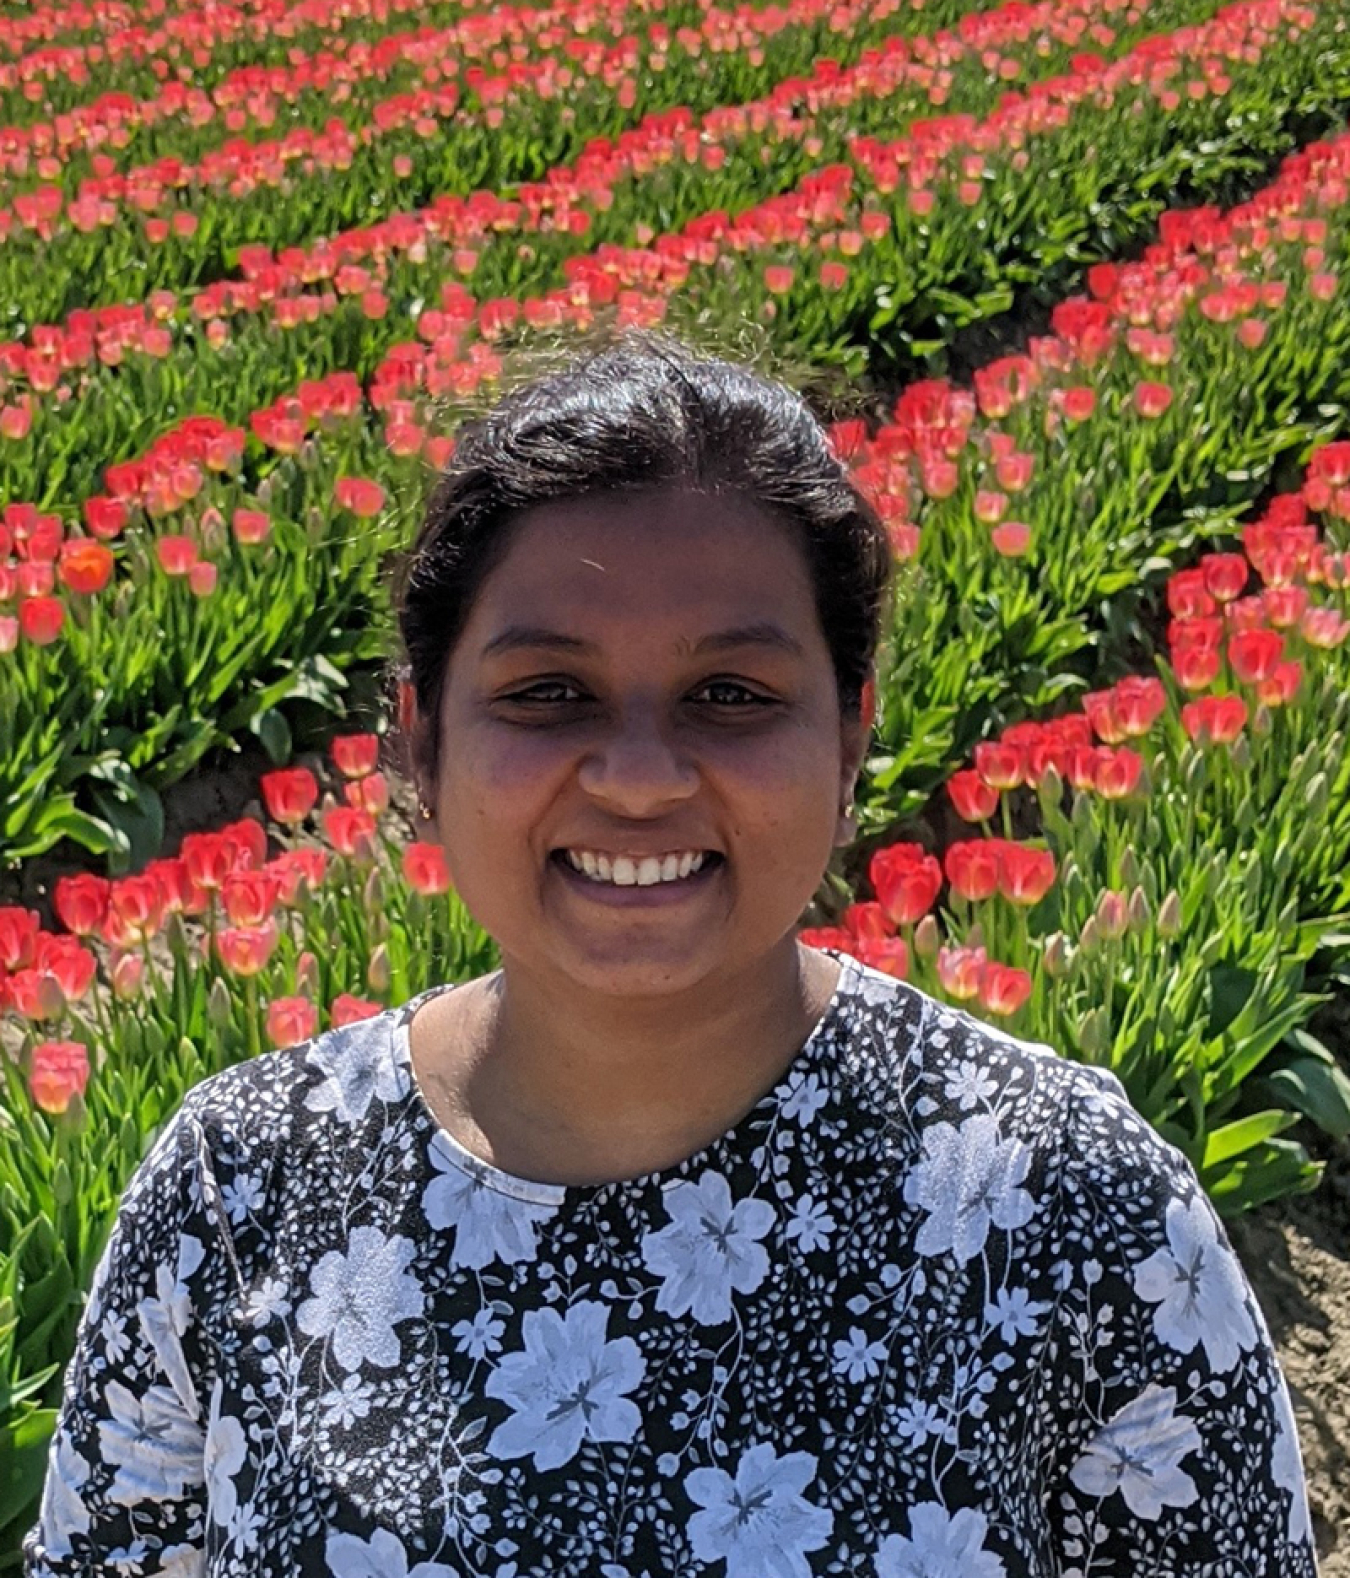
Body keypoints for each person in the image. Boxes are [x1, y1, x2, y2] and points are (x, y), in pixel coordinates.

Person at [25, 330, 1316, 1577]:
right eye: (547, 692)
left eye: (731, 696)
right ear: (419, 736)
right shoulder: (244, 1186)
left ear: (851, 728)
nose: (638, 775)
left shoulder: (1056, 1205)